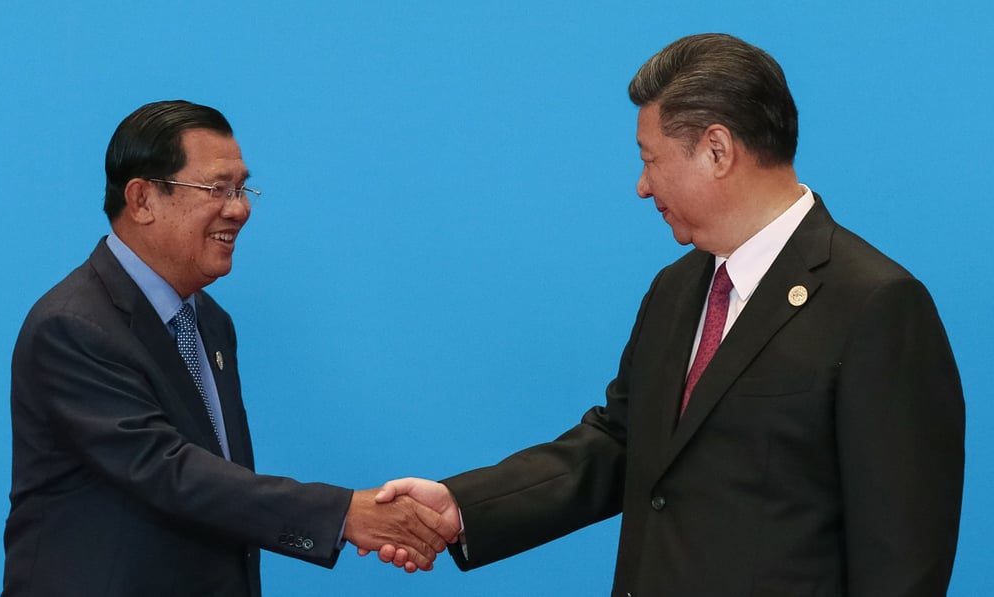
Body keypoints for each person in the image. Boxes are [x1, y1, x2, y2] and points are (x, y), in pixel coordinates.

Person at [371, 34, 965, 596]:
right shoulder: (677, 289)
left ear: (717, 149)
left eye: (650, 160)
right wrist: (463, 507)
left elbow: (901, 560)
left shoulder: (877, 305)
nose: (641, 185)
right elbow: (622, 444)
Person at [2, 100, 457, 597]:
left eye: (242, 189)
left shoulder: (210, 322)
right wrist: (345, 514)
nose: (238, 208)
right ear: (142, 200)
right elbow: (167, 470)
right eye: (216, 189)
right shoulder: (73, 326)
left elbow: (223, 486)